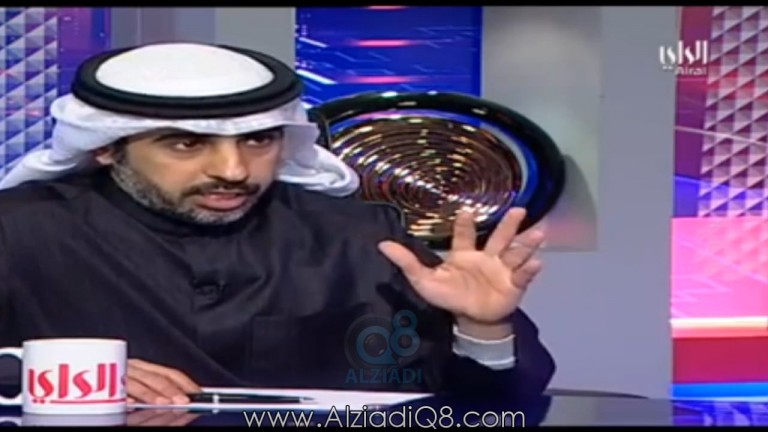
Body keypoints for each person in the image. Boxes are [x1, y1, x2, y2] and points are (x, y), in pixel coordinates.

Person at [0, 42, 555, 405]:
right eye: (186, 144)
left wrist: (481, 328)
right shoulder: (21, 230)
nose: (233, 170)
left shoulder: (356, 237)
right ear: (106, 148)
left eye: (258, 140)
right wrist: (42, 374)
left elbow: (491, 406)